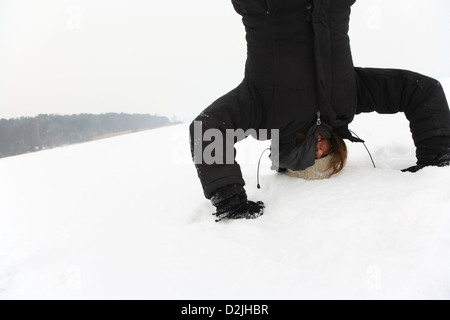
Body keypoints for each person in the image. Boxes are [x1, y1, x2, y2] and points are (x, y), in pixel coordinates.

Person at [189, 0, 450, 222]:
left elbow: (208, 128)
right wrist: (437, 160)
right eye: (326, 156)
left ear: (292, 156)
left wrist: (229, 200)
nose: (319, 150)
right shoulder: (347, 104)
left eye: (309, 159)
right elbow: (422, 91)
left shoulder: (264, 114)